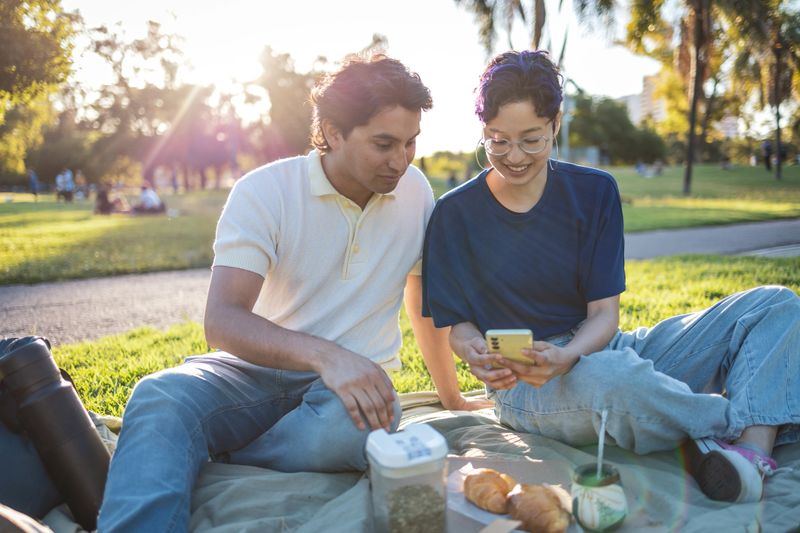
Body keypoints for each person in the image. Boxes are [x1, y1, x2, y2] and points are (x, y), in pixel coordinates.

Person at [98, 54, 489, 531]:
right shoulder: (265, 191)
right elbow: (222, 320)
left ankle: (229, 453)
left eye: (410, 143)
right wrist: (325, 355)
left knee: (371, 420)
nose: (401, 160)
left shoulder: (416, 191)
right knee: (162, 395)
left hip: (348, 393)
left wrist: (451, 396)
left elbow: (421, 297)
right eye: (383, 144)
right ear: (334, 130)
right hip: (249, 374)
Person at [422, 50, 800, 505]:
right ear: (482, 130)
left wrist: (569, 354)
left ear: (556, 124)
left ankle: (748, 455)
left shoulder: (595, 191)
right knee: (620, 382)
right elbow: (457, 327)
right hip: (526, 386)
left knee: (775, 304)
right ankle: (741, 424)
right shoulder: (453, 214)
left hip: (603, 350)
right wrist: (474, 351)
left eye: (531, 140)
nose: (514, 157)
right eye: (497, 141)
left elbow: (604, 317)